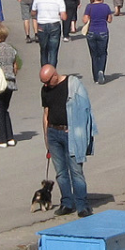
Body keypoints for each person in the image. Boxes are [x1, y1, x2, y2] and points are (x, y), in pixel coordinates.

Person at [41, 64, 96, 216]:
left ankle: (82, 205)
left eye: (47, 81)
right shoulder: (45, 90)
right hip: (53, 133)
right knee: (60, 172)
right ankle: (66, 203)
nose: (45, 85)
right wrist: (46, 136)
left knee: (76, 171)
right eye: (43, 82)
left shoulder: (72, 85)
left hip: (70, 133)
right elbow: (46, 113)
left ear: (54, 75)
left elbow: (84, 108)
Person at [31, 0, 66, 69]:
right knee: (53, 51)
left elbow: (33, 12)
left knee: (43, 50)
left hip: (42, 24)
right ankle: (52, 71)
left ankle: (44, 71)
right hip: (54, 24)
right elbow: (64, 16)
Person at [83, 0, 115, 84]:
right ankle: (101, 70)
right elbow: (109, 20)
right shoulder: (106, 7)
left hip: (92, 32)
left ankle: (96, 77)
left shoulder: (89, 7)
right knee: (103, 53)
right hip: (103, 32)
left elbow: (84, 20)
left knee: (94, 55)